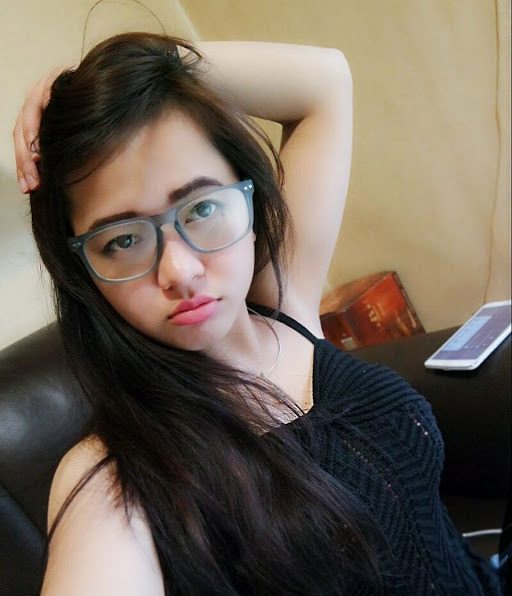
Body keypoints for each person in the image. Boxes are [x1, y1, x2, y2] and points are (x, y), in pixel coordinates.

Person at [13, 32, 502, 595]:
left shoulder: (284, 303)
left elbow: (323, 81)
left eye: (201, 207)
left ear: (247, 198)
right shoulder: (111, 474)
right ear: (84, 270)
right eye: (122, 240)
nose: (180, 270)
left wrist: (132, 74)